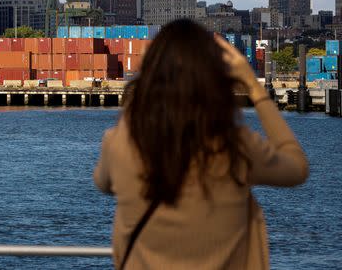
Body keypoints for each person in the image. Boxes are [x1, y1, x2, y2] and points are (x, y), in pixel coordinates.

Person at [93, 19, 308, 269]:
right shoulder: (235, 146)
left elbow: (103, 183)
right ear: (212, 77)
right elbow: (297, 168)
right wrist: (254, 88)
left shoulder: (118, 143)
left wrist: (142, 91)